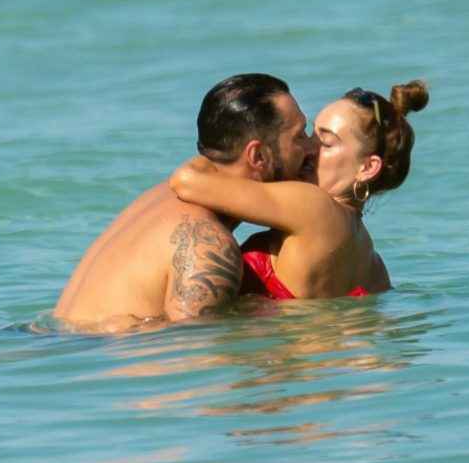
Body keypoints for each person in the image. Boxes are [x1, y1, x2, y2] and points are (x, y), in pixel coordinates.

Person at [53, 73, 314, 332]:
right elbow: (189, 348)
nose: (312, 147)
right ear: (258, 156)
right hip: (92, 350)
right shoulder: (206, 243)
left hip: (59, 340)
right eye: (300, 136)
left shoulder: (161, 195)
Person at [169, 80, 428, 300]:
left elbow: (186, 181)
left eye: (326, 142)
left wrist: (223, 147)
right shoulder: (375, 267)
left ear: (368, 167)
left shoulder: (314, 206)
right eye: (309, 134)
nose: (308, 148)